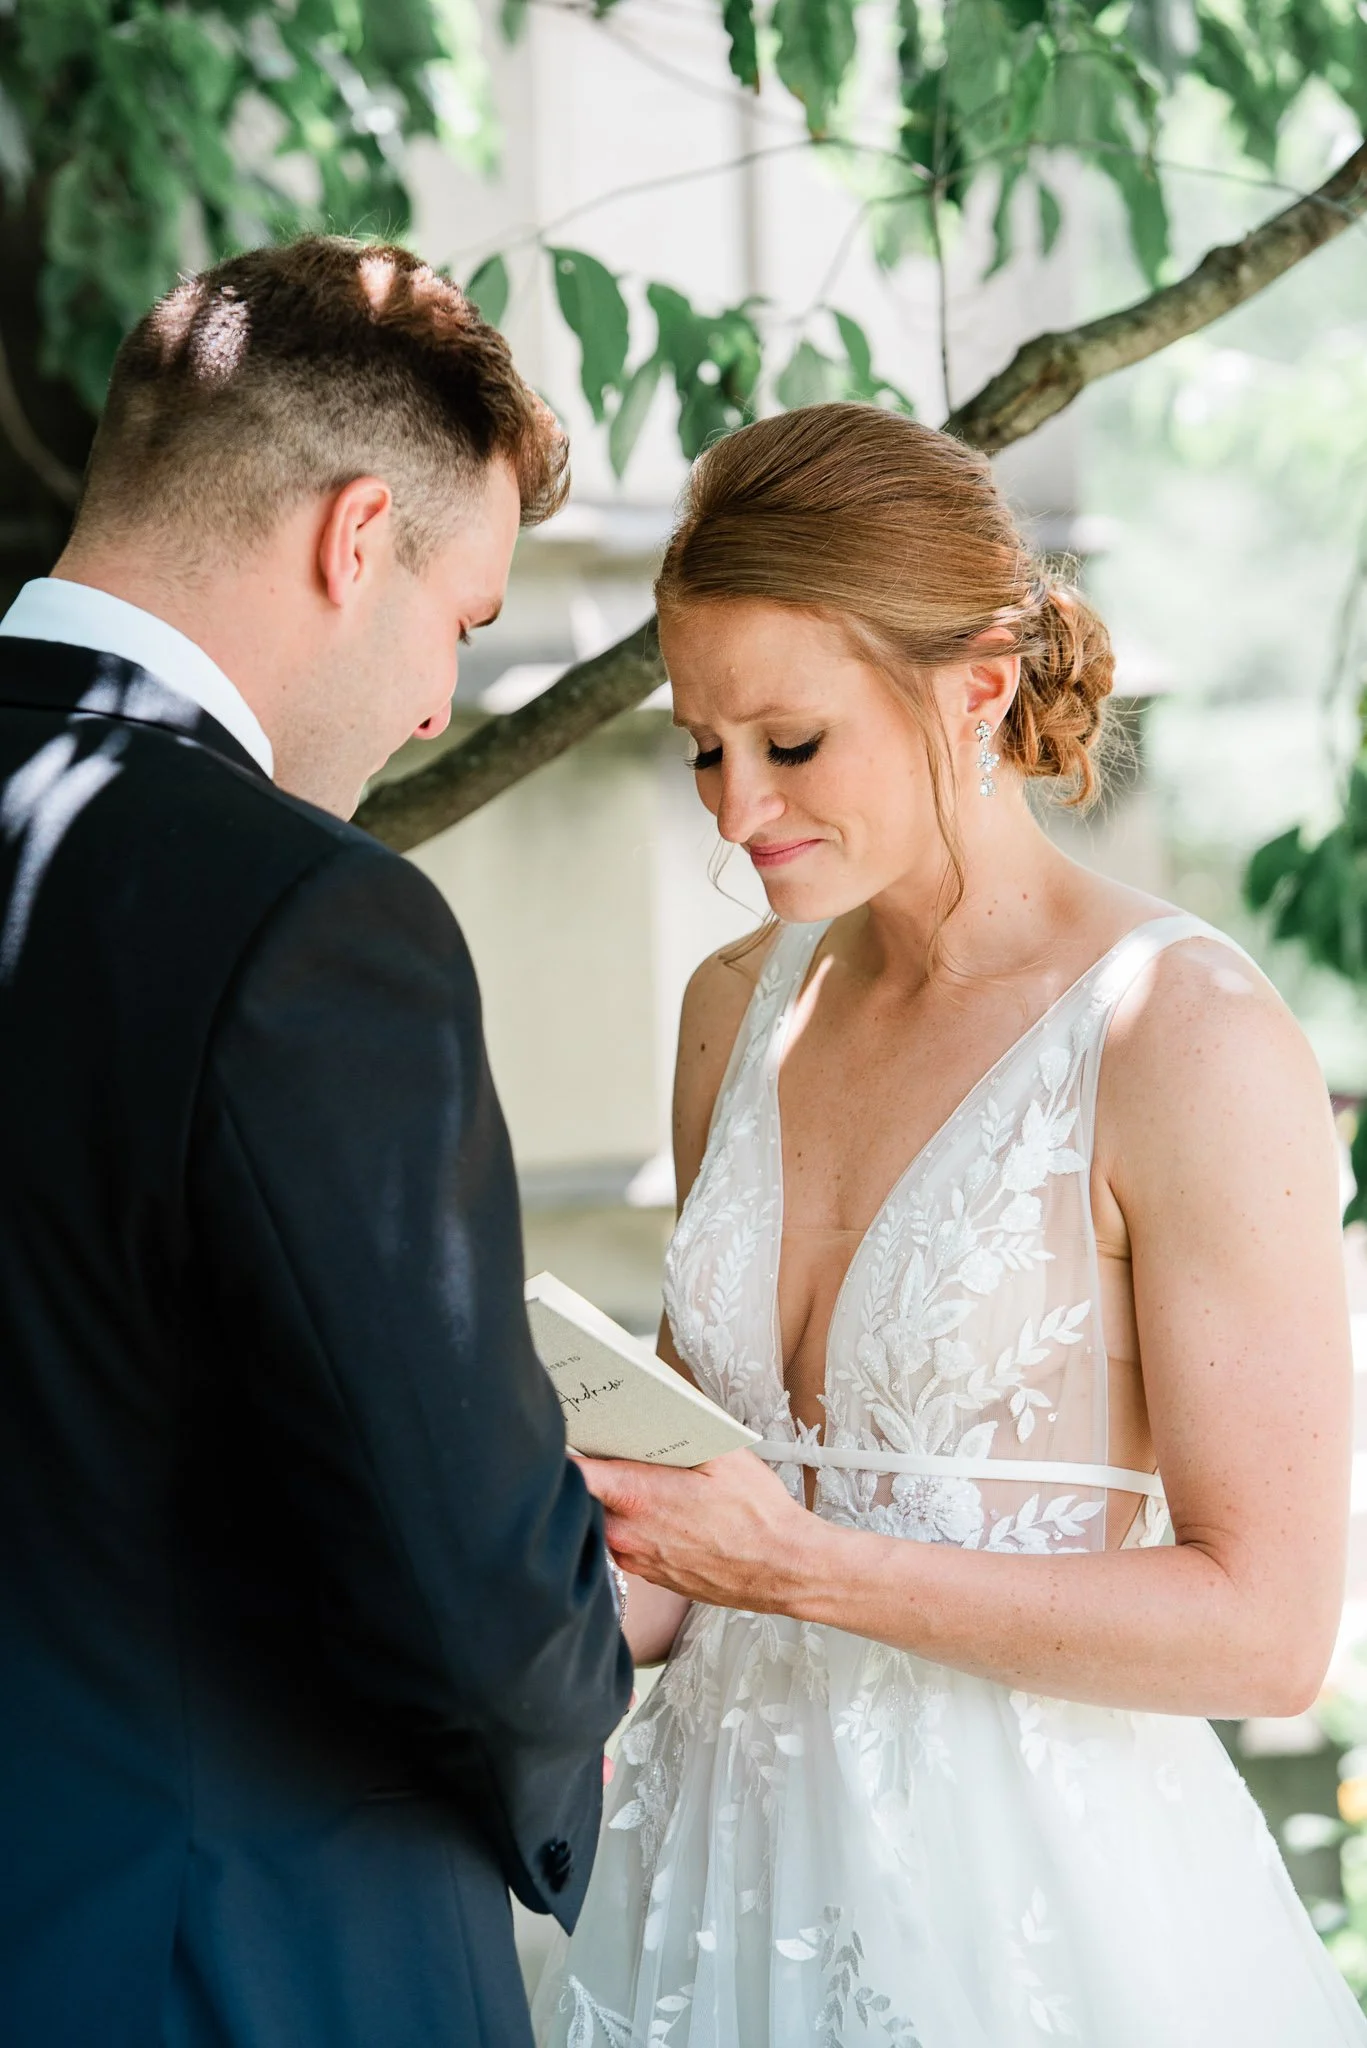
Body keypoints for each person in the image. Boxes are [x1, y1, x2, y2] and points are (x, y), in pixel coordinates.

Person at [534, 403, 1366, 2046]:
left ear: (975, 689)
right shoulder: (730, 1010)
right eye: (703, 746)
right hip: (709, 1891)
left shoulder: (1177, 1037)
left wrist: (805, 1568)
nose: (731, 808)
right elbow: (696, 1544)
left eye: (789, 743)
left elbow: (1267, 1635)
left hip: (1035, 1926)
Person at [0, 236, 632, 2048]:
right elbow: (471, 1592)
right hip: (219, 1970)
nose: (438, 704)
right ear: (359, 539)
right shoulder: (303, 919)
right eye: (464, 619)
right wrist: (592, 1636)